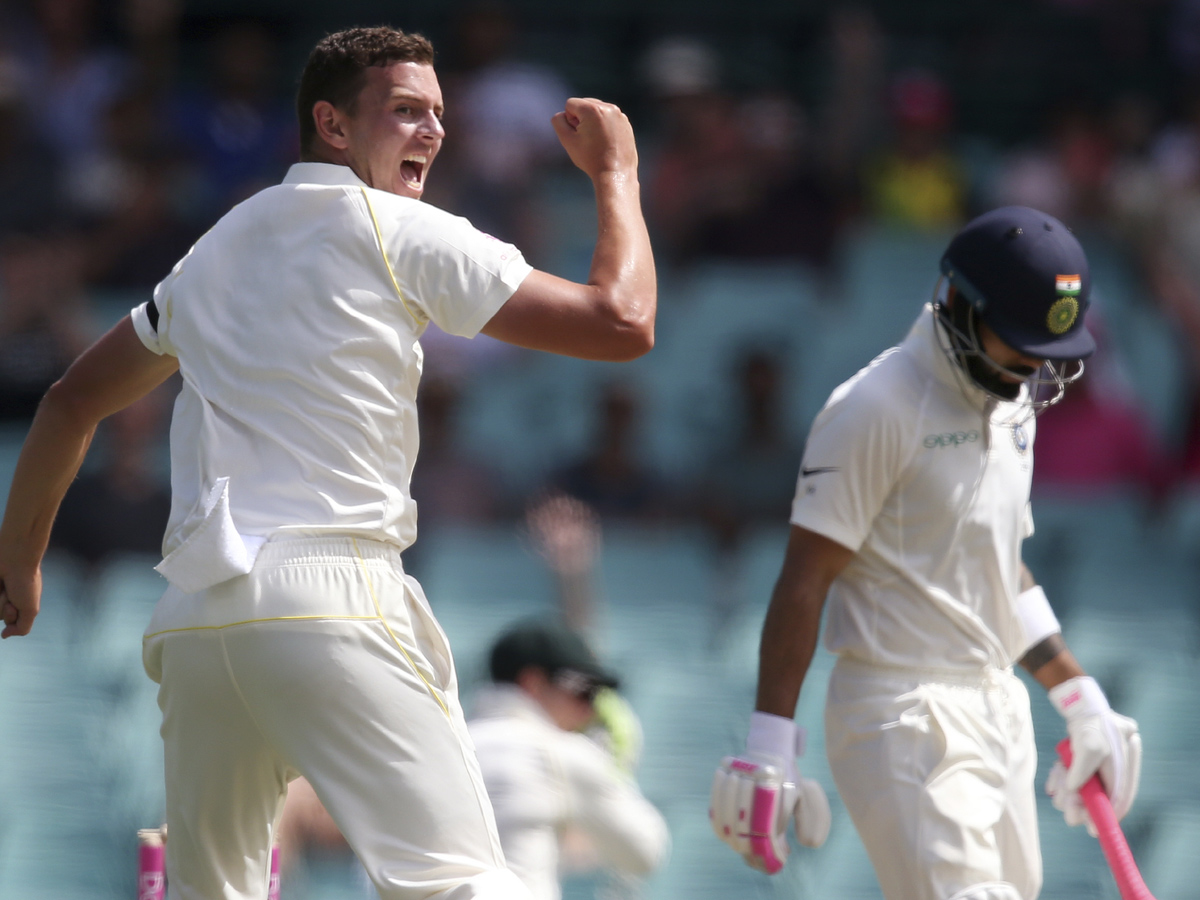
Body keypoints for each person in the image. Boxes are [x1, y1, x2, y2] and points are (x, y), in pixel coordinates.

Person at [0, 24, 654, 900]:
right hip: (332, 599)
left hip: (197, 619)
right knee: (464, 883)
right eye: (405, 111)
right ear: (333, 126)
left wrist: (17, 566)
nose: (432, 131)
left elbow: (71, 402)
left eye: (437, 114)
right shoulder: (400, 228)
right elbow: (622, 323)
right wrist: (617, 174)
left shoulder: (218, 247)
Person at [710, 206, 1143, 900]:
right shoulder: (876, 406)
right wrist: (769, 743)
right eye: (1020, 343)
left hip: (996, 702)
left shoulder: (1013, 402)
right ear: (959, 305)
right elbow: (805, 577)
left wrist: (1078, 693)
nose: (1033, 368)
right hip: (900, 707)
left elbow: (998, 567)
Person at [468, 622, 670, 900]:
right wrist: (615, 766)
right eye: (584, 691)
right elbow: (645, 851)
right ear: (533, 683)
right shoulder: (561, 752)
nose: (589, 708)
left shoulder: (447, 746)